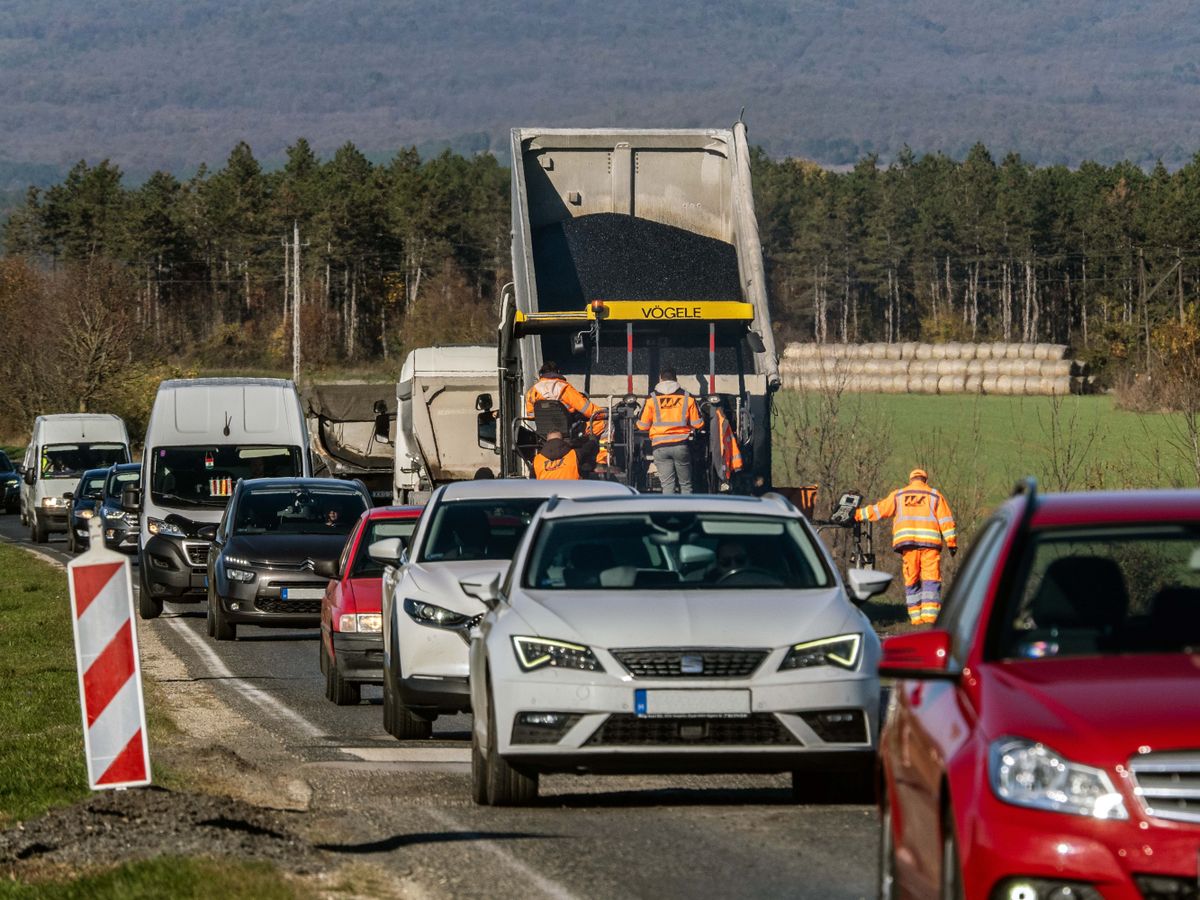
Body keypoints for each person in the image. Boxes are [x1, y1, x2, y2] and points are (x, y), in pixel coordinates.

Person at [855, 468, 957, 626]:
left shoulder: (899, 495)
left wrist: (857, 514)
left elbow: (879, 509)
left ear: (911, 480)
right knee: (931, 578)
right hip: (930, 544)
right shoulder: (934, 495)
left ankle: (915, 619)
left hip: (907, 544)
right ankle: (930, 618)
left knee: (911, 579)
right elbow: (946, 520)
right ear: (925, 480)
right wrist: (951, 543)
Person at [524, 360, 608, 465]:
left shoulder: (532, 391)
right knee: (605, 425)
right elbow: (589, 411)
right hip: (569, 432)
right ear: (558, 372)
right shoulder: (563, 387)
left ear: (541, 374)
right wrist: (605, 413)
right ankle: (602, 462)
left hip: (545, 435)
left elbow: (531, 415)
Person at [637, 366, 704, 493]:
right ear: (676, 379)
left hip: (660, 447)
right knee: (686, 485)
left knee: (667, 486)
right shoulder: (687, 397)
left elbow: (642, 426)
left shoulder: (651, 399)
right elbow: (698, 424)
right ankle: (687, 512)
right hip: (681, 446)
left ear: (660, 379)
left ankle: (669, 511)